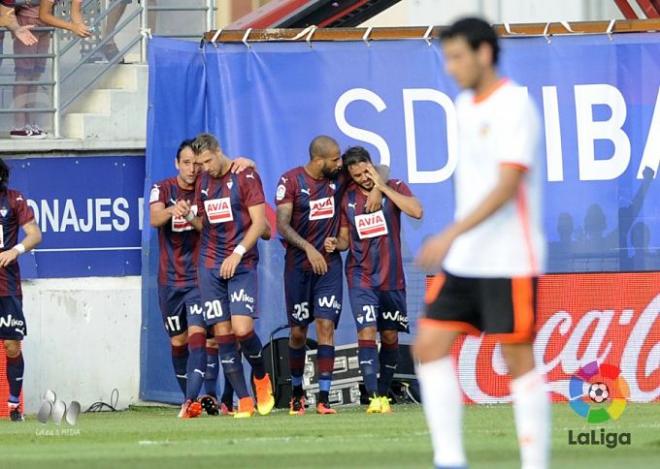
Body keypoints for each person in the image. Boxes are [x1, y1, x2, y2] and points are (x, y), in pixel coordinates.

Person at [414, 17, 549, 469]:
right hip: (466, 258)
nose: (450, 67)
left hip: (508, 256)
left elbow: (507, 186)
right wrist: (457, 241)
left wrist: (450, 232)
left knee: (517, 360)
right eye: (446, 57)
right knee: (428, 347)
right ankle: (449, 460)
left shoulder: (515, 106)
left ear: (484, 54)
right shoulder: (463, 106)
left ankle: (535, 463)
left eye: (456, 57)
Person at [275, 135, 385, 415]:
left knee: (326, 327)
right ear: (318, 160)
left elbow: (379, 170)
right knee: (298, 332)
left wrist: (376, 190)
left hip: (329, 267)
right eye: (335, 159)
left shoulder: (339, 179)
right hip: (298, 267)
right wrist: (309, 248)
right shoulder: (290, 182)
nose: (340, 163)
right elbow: (282, 226)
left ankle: (323, 398)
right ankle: (297, 394)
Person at [149, 139, 255, 418]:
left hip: (201, 274)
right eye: (187, 163)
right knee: (179, 342)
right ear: (177, 164)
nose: (193, 168)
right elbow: (154, 218)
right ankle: (198, 397)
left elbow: (235, 179)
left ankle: (199, 399)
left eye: (197, 163)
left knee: (205, 338)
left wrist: (247, 163)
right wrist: (174, 211)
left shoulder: (207, 184)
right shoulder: (164, 188)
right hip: (169, 280)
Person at [177, 132, 274, 419]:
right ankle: (243, 400)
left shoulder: (245, 175)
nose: (203, 168)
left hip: (240, 262)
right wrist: (188, 217)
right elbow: (205, 225)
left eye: (207, 161)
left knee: (243, 330)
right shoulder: (204, 182)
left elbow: (261, 224)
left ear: (219, 151)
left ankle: (261, 377)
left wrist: (238, 252)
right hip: (210, 265)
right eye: (199, 163)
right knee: (223, 334)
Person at [324, 146, 422, 413]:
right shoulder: (347, 199)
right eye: (356, 176)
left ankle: (383, 390)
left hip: (391, 277)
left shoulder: (395, 185)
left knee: (389, 336)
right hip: (361, 276)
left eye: (366, 172)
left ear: (371, 165)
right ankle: (374, 395)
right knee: (366, 331)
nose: (363, 179)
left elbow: (416, 212)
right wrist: (337, 243)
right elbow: (345, 238)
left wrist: (382, 188)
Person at [0, 158, 42, 421]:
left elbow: (35, 234)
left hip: (7, 285)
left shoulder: (14, 200)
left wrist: (15, 251)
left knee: (12, 345)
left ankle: (14, 405)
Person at [10, 0, 90, 138]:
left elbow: (75, 12)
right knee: (24, 74)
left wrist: (81, 26)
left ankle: (30, 122)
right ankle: (19, 125)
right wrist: (71, 27)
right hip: (27, 22)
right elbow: (44, 15)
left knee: (36, 74)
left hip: (44, 27)